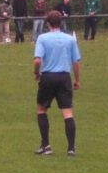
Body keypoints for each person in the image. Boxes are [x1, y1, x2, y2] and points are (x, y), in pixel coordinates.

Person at [33, 10, 81, 157]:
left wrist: (36, 73)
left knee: (41, 110)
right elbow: (76, 62)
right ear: (61, 23)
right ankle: (71, 149)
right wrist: (77, 80)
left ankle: (46, 146)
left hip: (48, 77)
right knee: (67, 112)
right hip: (64, 77)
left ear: (48, 23)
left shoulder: (42, 38)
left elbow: (37, 60)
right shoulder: (70, 39)